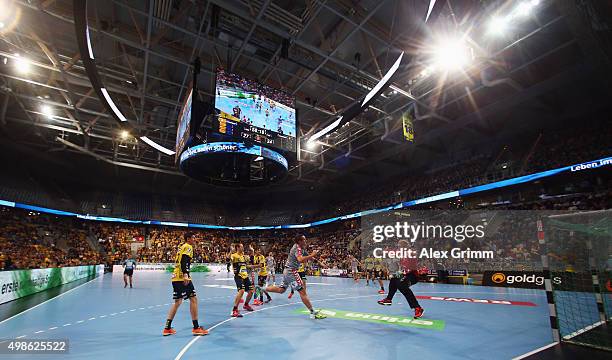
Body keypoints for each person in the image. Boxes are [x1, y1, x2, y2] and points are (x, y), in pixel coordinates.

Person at [266, 234, 326, 319]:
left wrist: (320, 263)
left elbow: (309, 258)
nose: (306, 241)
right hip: (291, 272)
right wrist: (312, 254)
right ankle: (313, 313)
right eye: (304, 240)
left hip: (287, 271)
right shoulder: (297, 248)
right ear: (299, 241)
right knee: (302, 292)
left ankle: (262, 289)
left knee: (281, 290)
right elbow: (300, 259)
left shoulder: (302, 248)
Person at [162, 233, 208, 336]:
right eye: (193, 237)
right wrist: (186, 274)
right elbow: (184, 261)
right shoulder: (188, 247)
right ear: (188, 239)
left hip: (175, 277)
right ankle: (196, 328)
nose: (194, 239)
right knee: (193, 299)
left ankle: (167, 328)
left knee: (177, 302)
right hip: (182, 277)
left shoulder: (181, 247)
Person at [377, 240, 424, 319]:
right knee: (393, 279)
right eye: (398, 245)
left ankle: (418, 308)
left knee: (402, 285)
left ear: (405, 246)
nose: (398, 247)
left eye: (400, 245)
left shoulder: (410, 252)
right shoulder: (401, 254)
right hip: (404, 273)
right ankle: (388, 299)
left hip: (413, 275)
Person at [230, 243, 256, 317]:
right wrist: (230, 251)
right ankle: (234, 310)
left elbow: (250, 260)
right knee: (241, 291)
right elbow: (228, 259)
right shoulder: (234, 255)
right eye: (241, 247)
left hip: (245, 276)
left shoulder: (243, 256)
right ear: (237, 247)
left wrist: (252, 251)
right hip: (238, 276)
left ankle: (246, 305)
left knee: (251, 291)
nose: (243, 248)